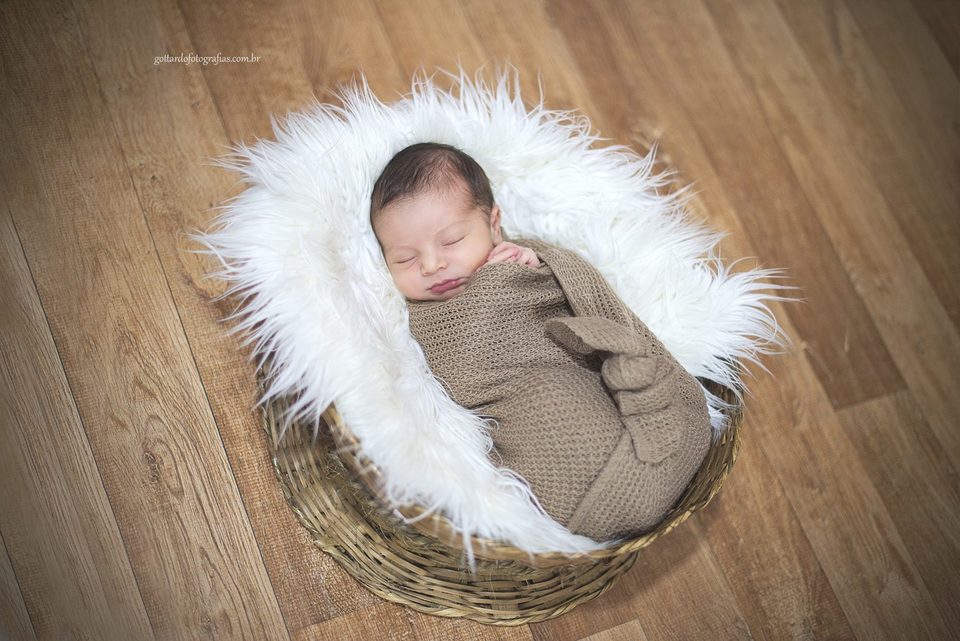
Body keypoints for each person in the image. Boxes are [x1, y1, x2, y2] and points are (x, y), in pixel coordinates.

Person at [370, 142, 711, 541]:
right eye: (405, 259)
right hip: (563, 465)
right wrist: (489, 298)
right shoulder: (417, 317)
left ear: (494, 224)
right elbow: (459, 376)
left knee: (576, 380)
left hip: (586, 387)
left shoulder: (524, 256)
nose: (432, 265)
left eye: (451, 241)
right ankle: (608, 482)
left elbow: (583, 297)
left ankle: (646, 442)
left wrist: (536, 270)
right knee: (548, 396)